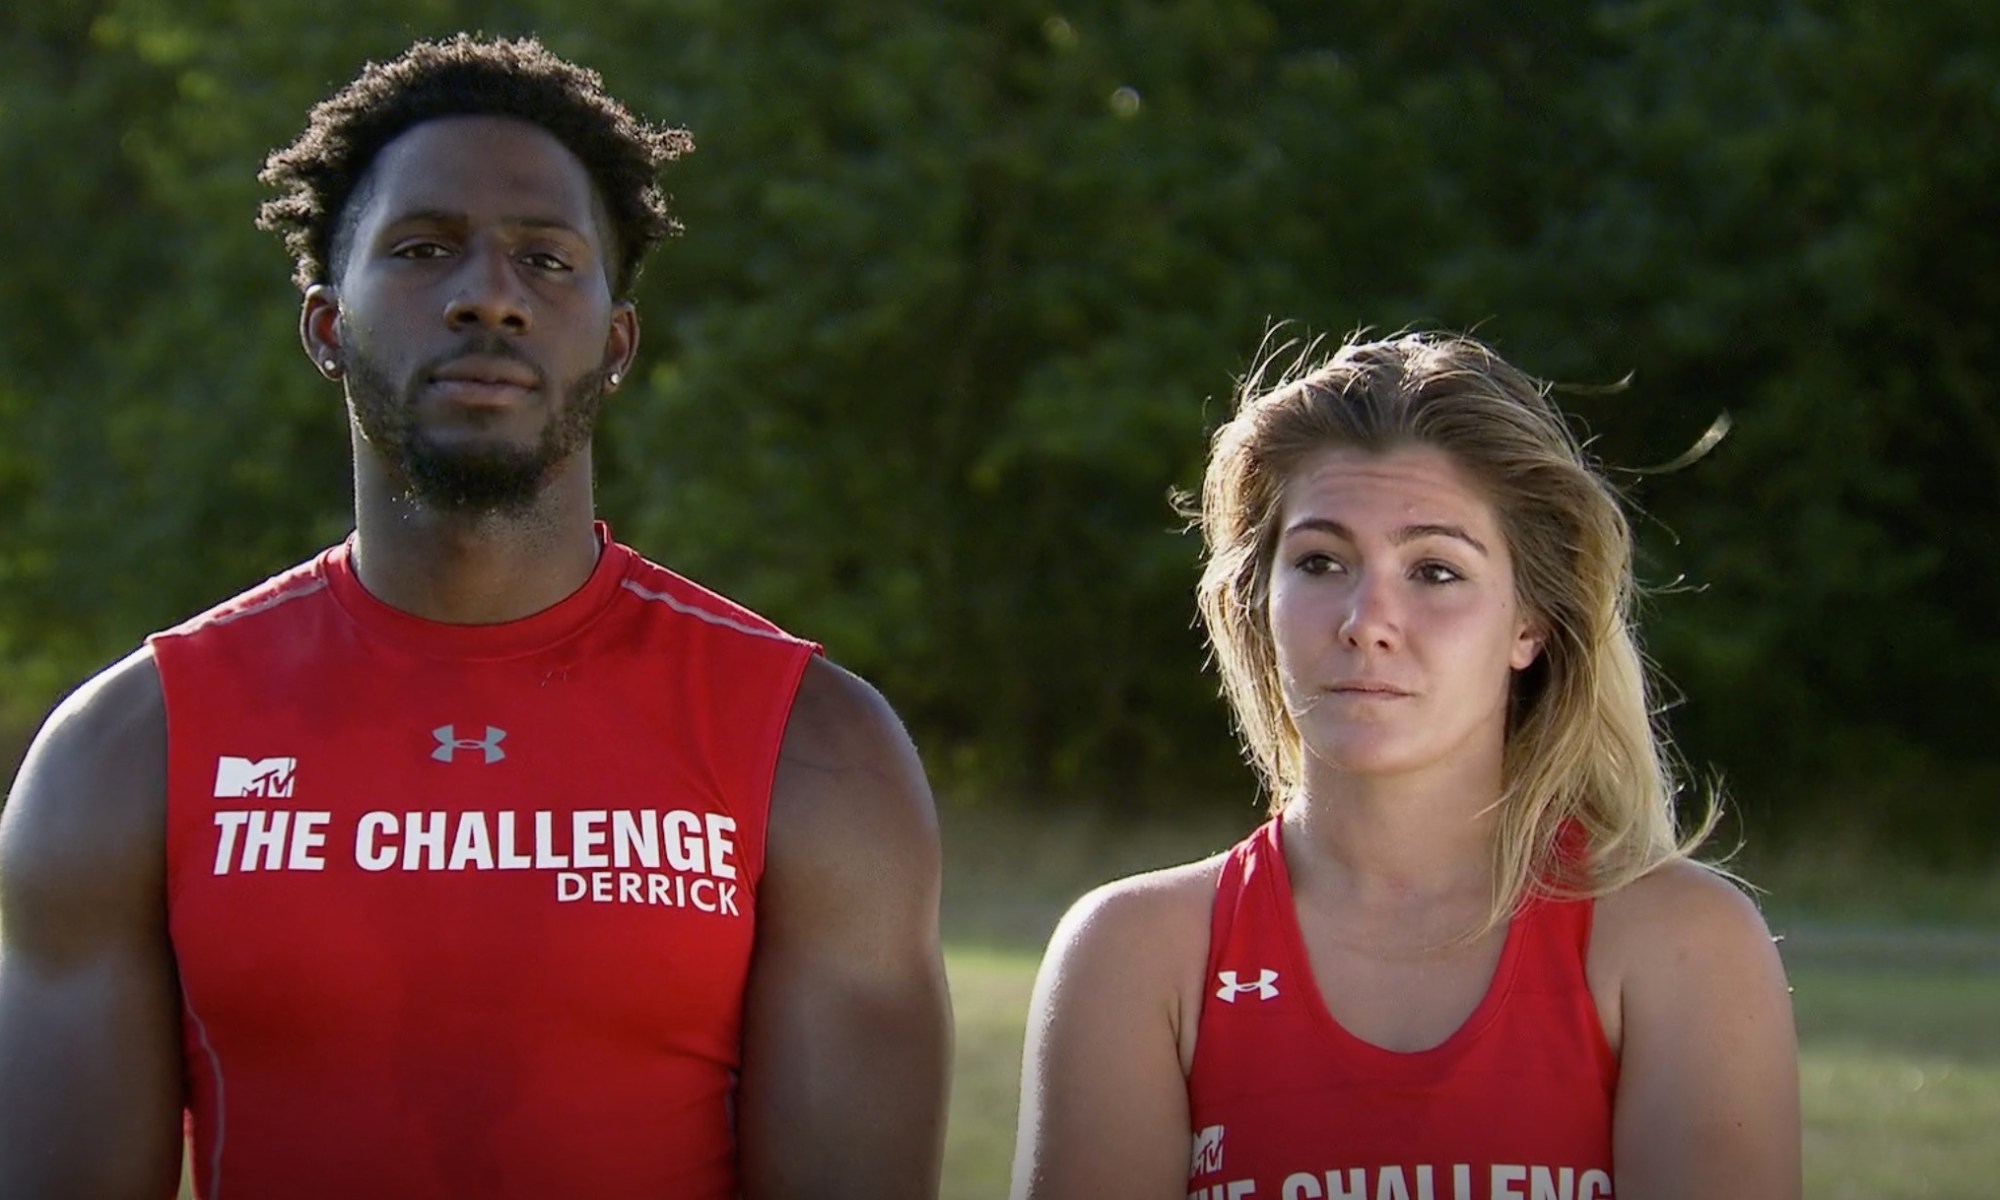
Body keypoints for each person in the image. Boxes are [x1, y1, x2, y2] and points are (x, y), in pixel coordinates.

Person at [0, 35, 950, 1200]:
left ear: (615, 344)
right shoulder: (127, 748)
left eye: (546, 260)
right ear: (325, 327)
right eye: (422, 249)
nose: (488, 296)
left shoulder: (811, 746)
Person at [1010, 331, 1800, 1199]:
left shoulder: (1679, 945)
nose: (1367, 621)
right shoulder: (1136, 958)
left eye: (1434, 570)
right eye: (1320, 562)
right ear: (1255, 601)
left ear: (1530, 624)